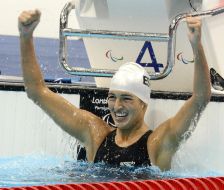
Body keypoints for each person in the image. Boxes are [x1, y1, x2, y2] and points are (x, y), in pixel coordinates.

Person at [18, 9, 211, 171]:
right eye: (112, 97)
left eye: (126, 98)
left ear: (143, 104)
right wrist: (26, 38)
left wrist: (197, 46)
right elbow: (36, 91)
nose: (117, 106)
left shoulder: (156, 145)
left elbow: (201, 99)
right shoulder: (95, 134)